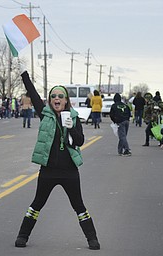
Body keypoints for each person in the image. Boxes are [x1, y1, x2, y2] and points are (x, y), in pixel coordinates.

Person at [14, 70, 100, 250]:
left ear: (66, 100)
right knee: (37, 204)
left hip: (69, 172)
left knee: (79, 206)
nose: (57, 98)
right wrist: (25, 77)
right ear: (50, 100)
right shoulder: (45, 114)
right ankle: (22, 236)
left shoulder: (74, 118)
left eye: (60, 96)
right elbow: (34, 94)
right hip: (48, 171)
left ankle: (92, 239)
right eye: (53, 96)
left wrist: (72, 128)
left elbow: (80, 141)